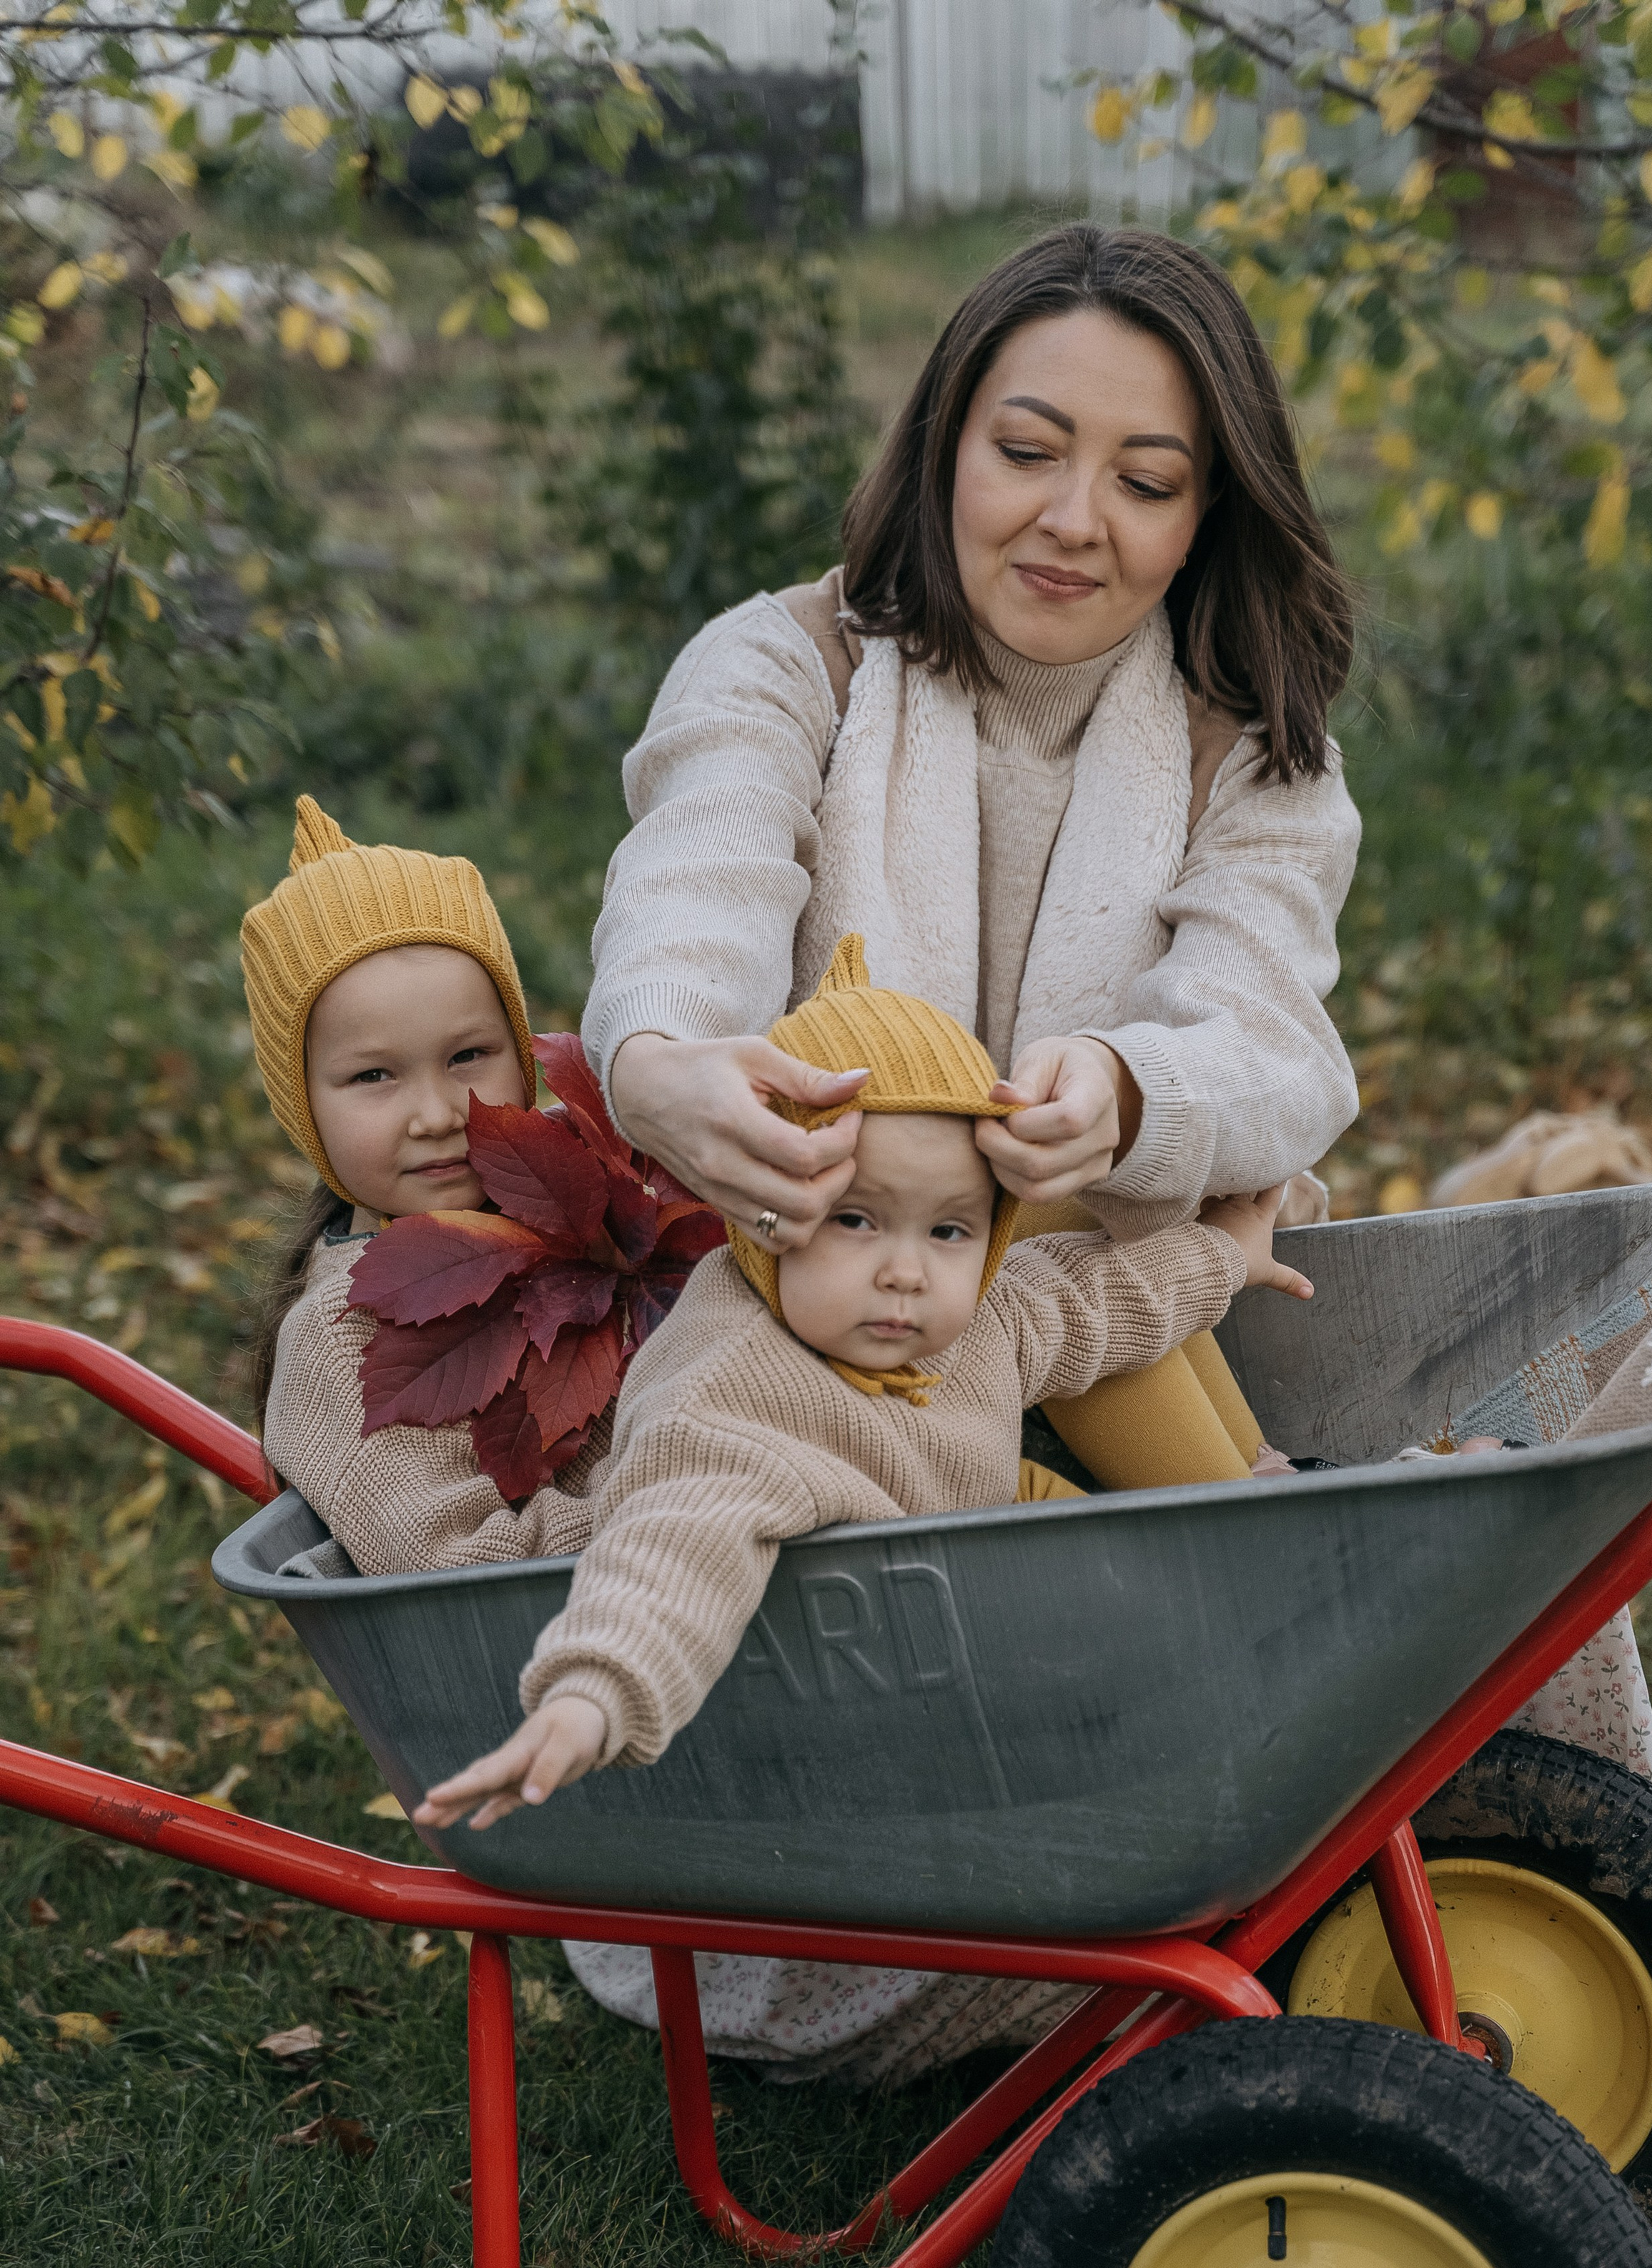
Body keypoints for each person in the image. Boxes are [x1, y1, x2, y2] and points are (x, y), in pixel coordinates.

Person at [414, 940, 1314, 2084]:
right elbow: (673, 1545)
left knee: (1090, 1529)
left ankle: (1204, 1788)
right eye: (856, 1221)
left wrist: (1223, 1260)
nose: (906, 1272)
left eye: (948, 1230)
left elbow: (1089, 1304)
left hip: (954, 1645)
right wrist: (594, 1696)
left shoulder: (974, 1317)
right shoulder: (734, 1389)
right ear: (766, 1214)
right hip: (823, 1734)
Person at [586, 222, 1360, 1461]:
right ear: (947, 444)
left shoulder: (1252, 756)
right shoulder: (790, 664)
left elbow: (1267, 1043)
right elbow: (701, 879)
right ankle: (1257, 1525)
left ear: (1208, 512)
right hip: (823, 1314)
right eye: (1026, 453)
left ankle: (1248, 1522)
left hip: (1136, 1320)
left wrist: (1125, 1091)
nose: (1071, 519)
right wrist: (664, 1056)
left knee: (1067, 1217)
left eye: (1146, 483)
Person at [245, 797, 623, 1566]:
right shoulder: (339, 1343)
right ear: (302, 1105)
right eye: (374, 1075)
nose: (437, 1113)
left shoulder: (585, 1193)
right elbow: (453, 1565)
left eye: (467, 1057)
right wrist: (681, 1496)